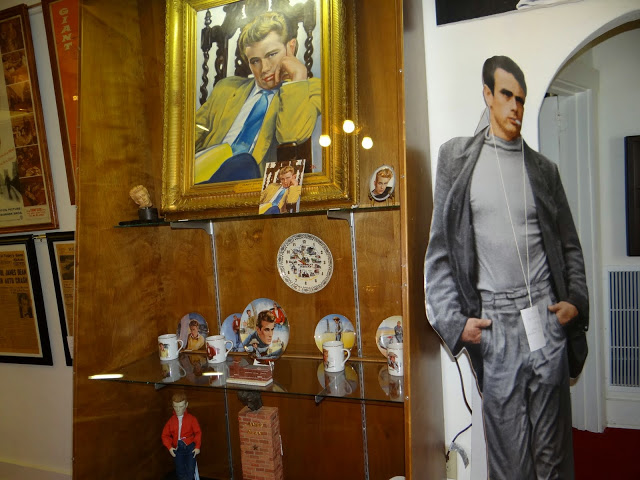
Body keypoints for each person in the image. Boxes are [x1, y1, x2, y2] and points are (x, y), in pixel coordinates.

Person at [424, 55, 589, 480]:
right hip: (495, 325)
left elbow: (569, 246)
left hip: (545, 317)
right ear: (487, 94)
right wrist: (454, 322)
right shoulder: (456, 158)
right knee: (509, 459)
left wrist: (574, 301)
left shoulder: (544, 170)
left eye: (521, 98)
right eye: (506, 95)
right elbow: (440, 252)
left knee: (553, 453)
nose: (515, 106)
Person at [194, 11, 321, 184]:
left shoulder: (309, 89)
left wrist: (297, 77)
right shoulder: (226, 88)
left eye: (271, 54)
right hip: (204, 177)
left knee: (244, 162)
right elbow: (191, 137)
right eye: (255, 61)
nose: (265, 68)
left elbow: (291, 137)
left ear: (291, 47)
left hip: (250, 183)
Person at [161, 392, 201, 480]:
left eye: (181, 406)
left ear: (186, 405)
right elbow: (165, 435)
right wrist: (170, 447)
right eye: (175, 407)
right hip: (178, 449)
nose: (178, 409)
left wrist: (197, 447)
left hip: (190, 448)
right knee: (180, 471)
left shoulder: (191, 419)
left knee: (190, 471)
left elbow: (198, 433)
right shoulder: (171, 421)